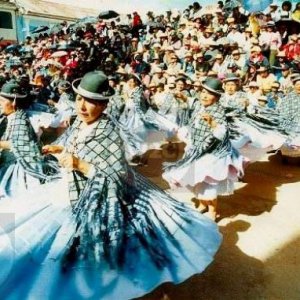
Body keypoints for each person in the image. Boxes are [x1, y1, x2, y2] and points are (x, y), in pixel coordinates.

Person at [0, 71, 222, 299]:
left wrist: (80, 164)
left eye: (92, 102)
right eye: (79, 99)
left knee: (120, 253)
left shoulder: (109, 133)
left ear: (104, 105)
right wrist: (62, 150)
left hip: (105, 199)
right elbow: (77, 147)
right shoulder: (79, 122)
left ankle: (147, 288)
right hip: (71, 191)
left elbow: (115, 175)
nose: (83, 107)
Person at [163, 78, 246, 220]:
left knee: (209, 183)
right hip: (196, 149)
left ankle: (213, 211)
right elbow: (193, 103)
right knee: (195, 179)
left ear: (217, 97)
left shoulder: (218, 111)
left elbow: (222, 134)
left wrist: (213, 123)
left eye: (209, 93)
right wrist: (183, 97)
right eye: (203, 92)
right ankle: (202, 204)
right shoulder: (200, 105)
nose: (204, 96)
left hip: (212, 153)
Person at [0, 81, 58, 199]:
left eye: (1, 101)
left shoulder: (24, 120)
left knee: (14, 205)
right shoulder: (7, 118)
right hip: (5, 165)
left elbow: (21, 144)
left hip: (19, 169)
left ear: (14, 102)